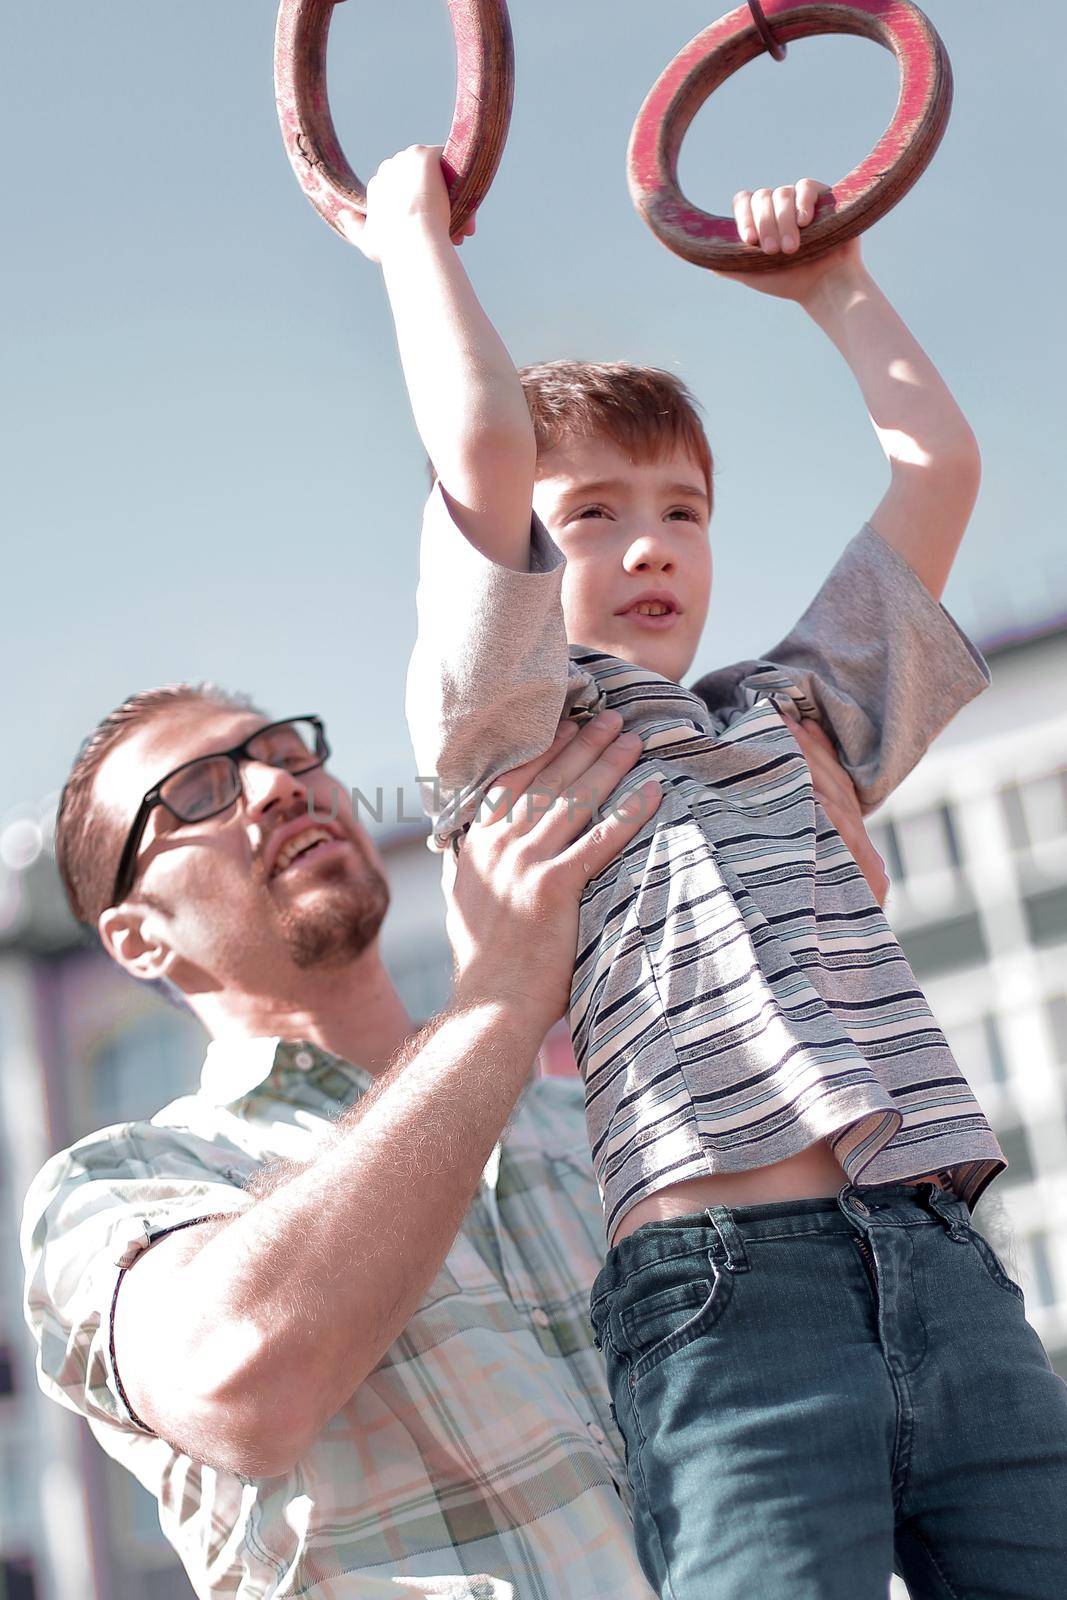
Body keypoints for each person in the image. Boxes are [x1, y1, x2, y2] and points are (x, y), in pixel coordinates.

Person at [355, 146, 1067, 1597]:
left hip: (939, 1262)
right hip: (729, 1295)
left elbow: (937, 469)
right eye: (593, 515)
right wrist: (408, 235)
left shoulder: (787, 716)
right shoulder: (513, 736)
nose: (648, 544)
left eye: (682, 508)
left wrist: (832, 285)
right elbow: (486, 449)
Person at [21, 684, 886, 1597]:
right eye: (198, 792)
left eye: (285, 748)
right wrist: (504, 990)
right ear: (137, 937)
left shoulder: (601, 1125)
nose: (277, 784)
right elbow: (241, 1380)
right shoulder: (117, 1184)